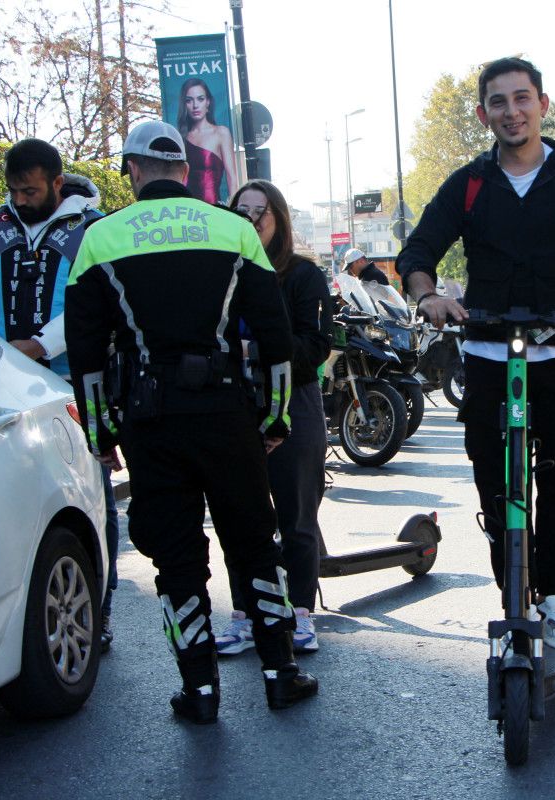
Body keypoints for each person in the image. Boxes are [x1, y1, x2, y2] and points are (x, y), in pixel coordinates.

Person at [65, 120, 317, 723]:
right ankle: (281, 673)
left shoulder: (100, 238)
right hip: (228, 414)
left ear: (131, 171)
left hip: (151, 422)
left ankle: (200, 690)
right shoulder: (232, 230)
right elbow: (276, 338)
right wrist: (276, 416)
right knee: (255, 545)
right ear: (186, 170)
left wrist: (101, 434)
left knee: (176, 559)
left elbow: (87, 351)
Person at [397, 57, 555, 651]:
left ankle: (550, 597)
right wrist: (427, 295)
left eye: (522, 98)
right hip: (488, 353)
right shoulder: (470, 183)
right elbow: (418, 252)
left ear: (542, 105)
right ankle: (512, 599)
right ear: (484, 114)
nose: (512, 111)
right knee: (495, 485)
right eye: (499, 103)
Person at [0, 138, 121, 652]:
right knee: (11, 491)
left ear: (58, 183)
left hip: (78, 382)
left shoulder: (93, 228)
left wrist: (38, 344)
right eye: (13, 190)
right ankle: (16, 614)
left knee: (90, 494)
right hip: (4, 386)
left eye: (30, 190)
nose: (21, 199)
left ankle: (97, 607)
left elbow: (98, 303)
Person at [216, 180, 333, 657]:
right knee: (241, 519)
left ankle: (300, 612)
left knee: (297, 517)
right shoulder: (222, 274)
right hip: (235, 406)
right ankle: (246, 612)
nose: (250, 220)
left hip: (295, 405)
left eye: (259, 212)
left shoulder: (303, 277)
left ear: (278, 220)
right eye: (240, 212)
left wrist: (261, 349)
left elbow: (316, 346)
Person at [176, 77, 239, 204]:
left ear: (208, 102)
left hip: (214, 210)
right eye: (189, 100)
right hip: (187, 210)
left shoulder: (221, 133)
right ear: (184, 104)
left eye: (200, 99)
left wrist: (234, 211)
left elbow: (232, 177)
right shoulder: (180, 138)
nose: (195, 105)